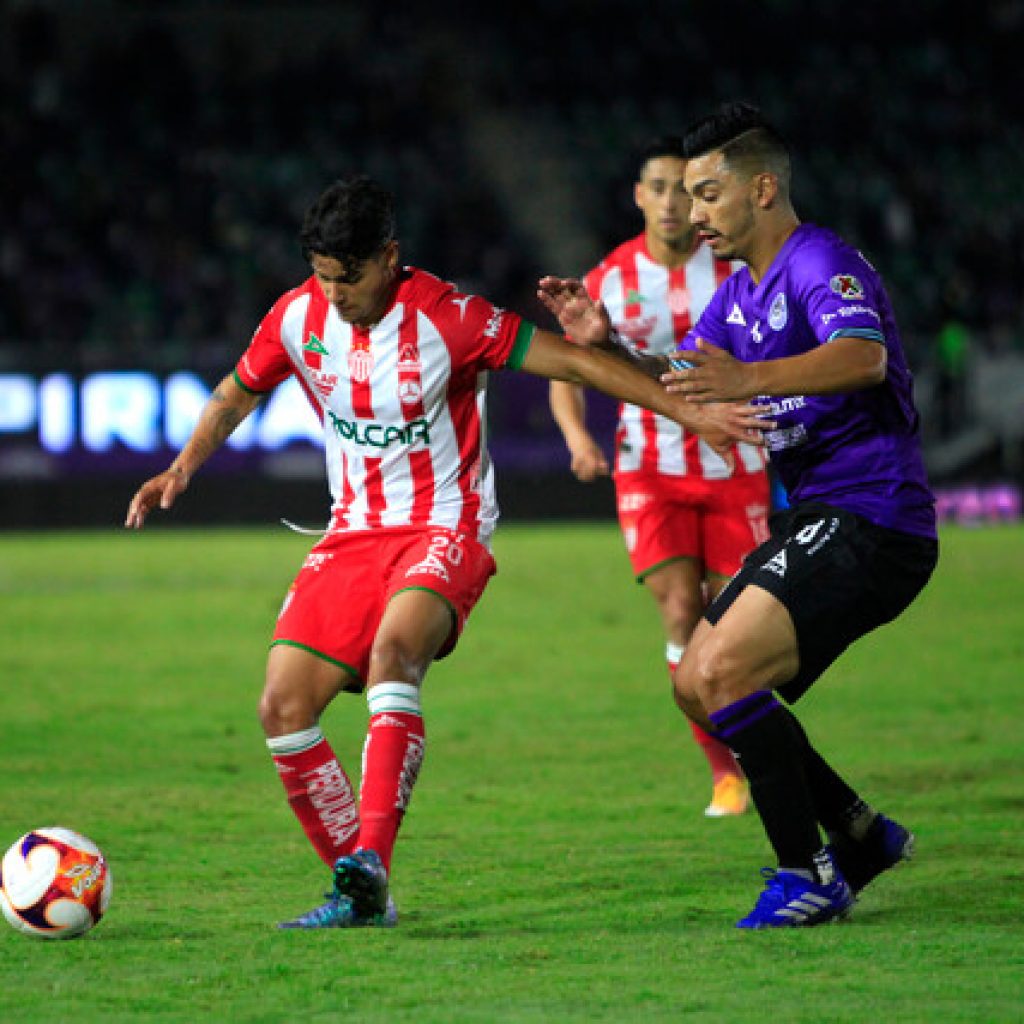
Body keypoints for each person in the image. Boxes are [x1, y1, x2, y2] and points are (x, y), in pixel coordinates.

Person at [124, 174, 765, 930]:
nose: (335, 294)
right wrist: (183, 466)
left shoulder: (451, 318)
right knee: (282, 707)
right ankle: (359, 895)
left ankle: (371, 858)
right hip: (352, 532)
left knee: (394, 654)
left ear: (389, 257)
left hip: (445, 526)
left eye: (349, 276)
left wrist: (688, 414)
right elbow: (237, 390)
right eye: (324, 277)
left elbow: (576, 363)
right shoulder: (298, 316)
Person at [541, 102, 938, 930]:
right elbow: (687, 377)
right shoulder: (738, 295)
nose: (693, 213)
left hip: (875, 516)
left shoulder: (819, 260)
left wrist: (750, 381)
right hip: (818, 517)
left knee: (722, 670)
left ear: (762, 189)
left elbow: (863, 358)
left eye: (708, 193)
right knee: (695, 683)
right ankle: (860, 834)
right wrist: (606, 344)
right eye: (687, 195)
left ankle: (807, 874)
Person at [549, 137, 770, 818]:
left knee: (734, 627)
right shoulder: (609, 279)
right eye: (660, 187)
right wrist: (578, 438)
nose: (673, 202)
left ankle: (759, 753)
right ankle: (725, 774)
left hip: (736, 465)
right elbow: (567, 370)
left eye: (687, 188)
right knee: (679, 610)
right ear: (638, 196)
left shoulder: (734, 269)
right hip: (649, 468)